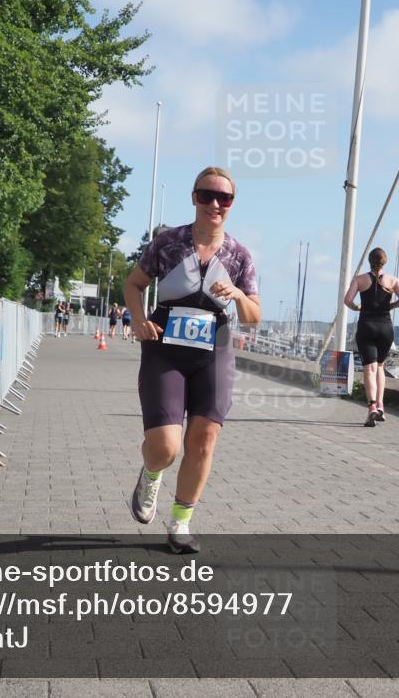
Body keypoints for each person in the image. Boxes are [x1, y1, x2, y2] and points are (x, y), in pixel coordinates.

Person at [123, 166, 260, 554]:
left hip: (213, 349)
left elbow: (253, 316)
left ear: (231, 205)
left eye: (224, 198)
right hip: (164, 347)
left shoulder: (239, 255)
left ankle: (180, 523)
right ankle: (151, 474)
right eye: (207, 195)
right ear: (194, 197)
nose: (215, 204)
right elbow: (134, 284)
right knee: (166, 447)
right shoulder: (168, 243)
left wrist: (236, 294)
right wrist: (137, 319)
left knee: (204, 440)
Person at [344, 248, 399, 427]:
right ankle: (380, 405)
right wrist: (392, 305)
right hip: (385, 328)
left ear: (369, 261)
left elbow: (347, 300)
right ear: (384, 262)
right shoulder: (393, 280)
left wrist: (357, 308)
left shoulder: (360, 280)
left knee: (369, 369)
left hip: (367, 326)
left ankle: (371, 407)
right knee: (380, 366)